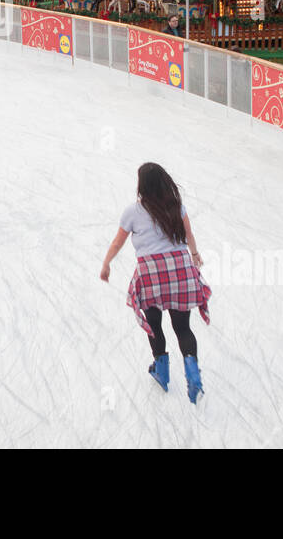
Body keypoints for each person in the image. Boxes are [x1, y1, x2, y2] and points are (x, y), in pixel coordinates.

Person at [100, 163, 211, 402]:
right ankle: (193, 373)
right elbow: (189, 234)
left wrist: (106, 263)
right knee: (183, 328)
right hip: (181, 268)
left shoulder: (132, 211)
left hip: (151, 273)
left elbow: (117, 243)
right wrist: (194, 254)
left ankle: (161, 370)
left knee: (155, 323)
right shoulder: (177, 206)